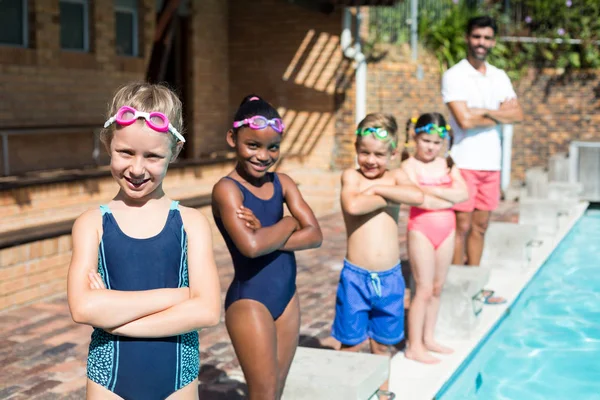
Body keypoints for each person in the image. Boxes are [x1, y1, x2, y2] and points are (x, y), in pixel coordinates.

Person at [67, 82, 221, 400]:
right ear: (109, 143)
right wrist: (178, 296)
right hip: (108, 381)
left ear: (175, 152)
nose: (137, 168)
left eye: (152, 156)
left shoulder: (191, 223)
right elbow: (83, 308)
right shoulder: (92, 223)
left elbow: (206, 311)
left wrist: (115, 321)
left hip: (178, 380)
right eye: (126, 152)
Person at [211, 95, 323, 400]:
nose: (263, 155)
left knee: (277, 392)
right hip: (250, 301)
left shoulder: (283, 182)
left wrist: (268, 234)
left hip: (287, 297)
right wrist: (288, 223)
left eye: (272, 147)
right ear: (233, 138)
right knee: (263, 394)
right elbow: (251, 247)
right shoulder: (227, 189)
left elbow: (315, 235)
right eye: (253, 145)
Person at [441, 15, 524, 303]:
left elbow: (518, 114)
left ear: (493, 41)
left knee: (480, 226)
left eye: (487, 38)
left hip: (491, 163)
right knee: (461, 227)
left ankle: (473, 286)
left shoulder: (499, 75)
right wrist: (498, 114)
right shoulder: (455, 74)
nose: (482, 43)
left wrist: (482, 112)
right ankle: (454, 286)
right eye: (477, 37)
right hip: (464, 162)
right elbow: (463, 120)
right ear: (467, 37)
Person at [332, 113, 423, 357]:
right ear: (356, 149)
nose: (370, 160)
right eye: (365, 152)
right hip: (356, 278)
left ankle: (383, 393)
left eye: (379, 155)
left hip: (390, 278)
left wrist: (377, 188)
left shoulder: (395, 177)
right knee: (350, 345)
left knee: (383, 345)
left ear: (393, 154)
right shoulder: (352, 176)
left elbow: (418, 196)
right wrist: (390, 195)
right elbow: (353, 206)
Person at [401, 113, 469, 364]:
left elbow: (464, 194)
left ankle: (428, 337)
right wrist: (445, 194)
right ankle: (414, 345)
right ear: (415, 138)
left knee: (438, 288)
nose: (430, 147)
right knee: (423, 288)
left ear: (443, 143)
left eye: (436, 142)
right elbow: (420, 199)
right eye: (426, 140)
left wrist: (430, 189)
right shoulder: (409, 166)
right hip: (421, 230)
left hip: (447, 230)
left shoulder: (448, 164)